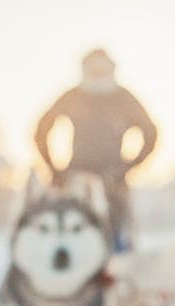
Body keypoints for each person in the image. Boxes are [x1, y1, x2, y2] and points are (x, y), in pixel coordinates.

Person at [34, 49, 158, 249]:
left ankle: (118, 266)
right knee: (67, 238)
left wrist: (126, 168)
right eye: (93, 69)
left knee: (119, 244)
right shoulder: (74, 96)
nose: (98, 74)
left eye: (103, 69)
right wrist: (55, 170)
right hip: (76, 180)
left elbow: (151, 134)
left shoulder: (122, 98)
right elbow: (41, 130)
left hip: (113, 182)